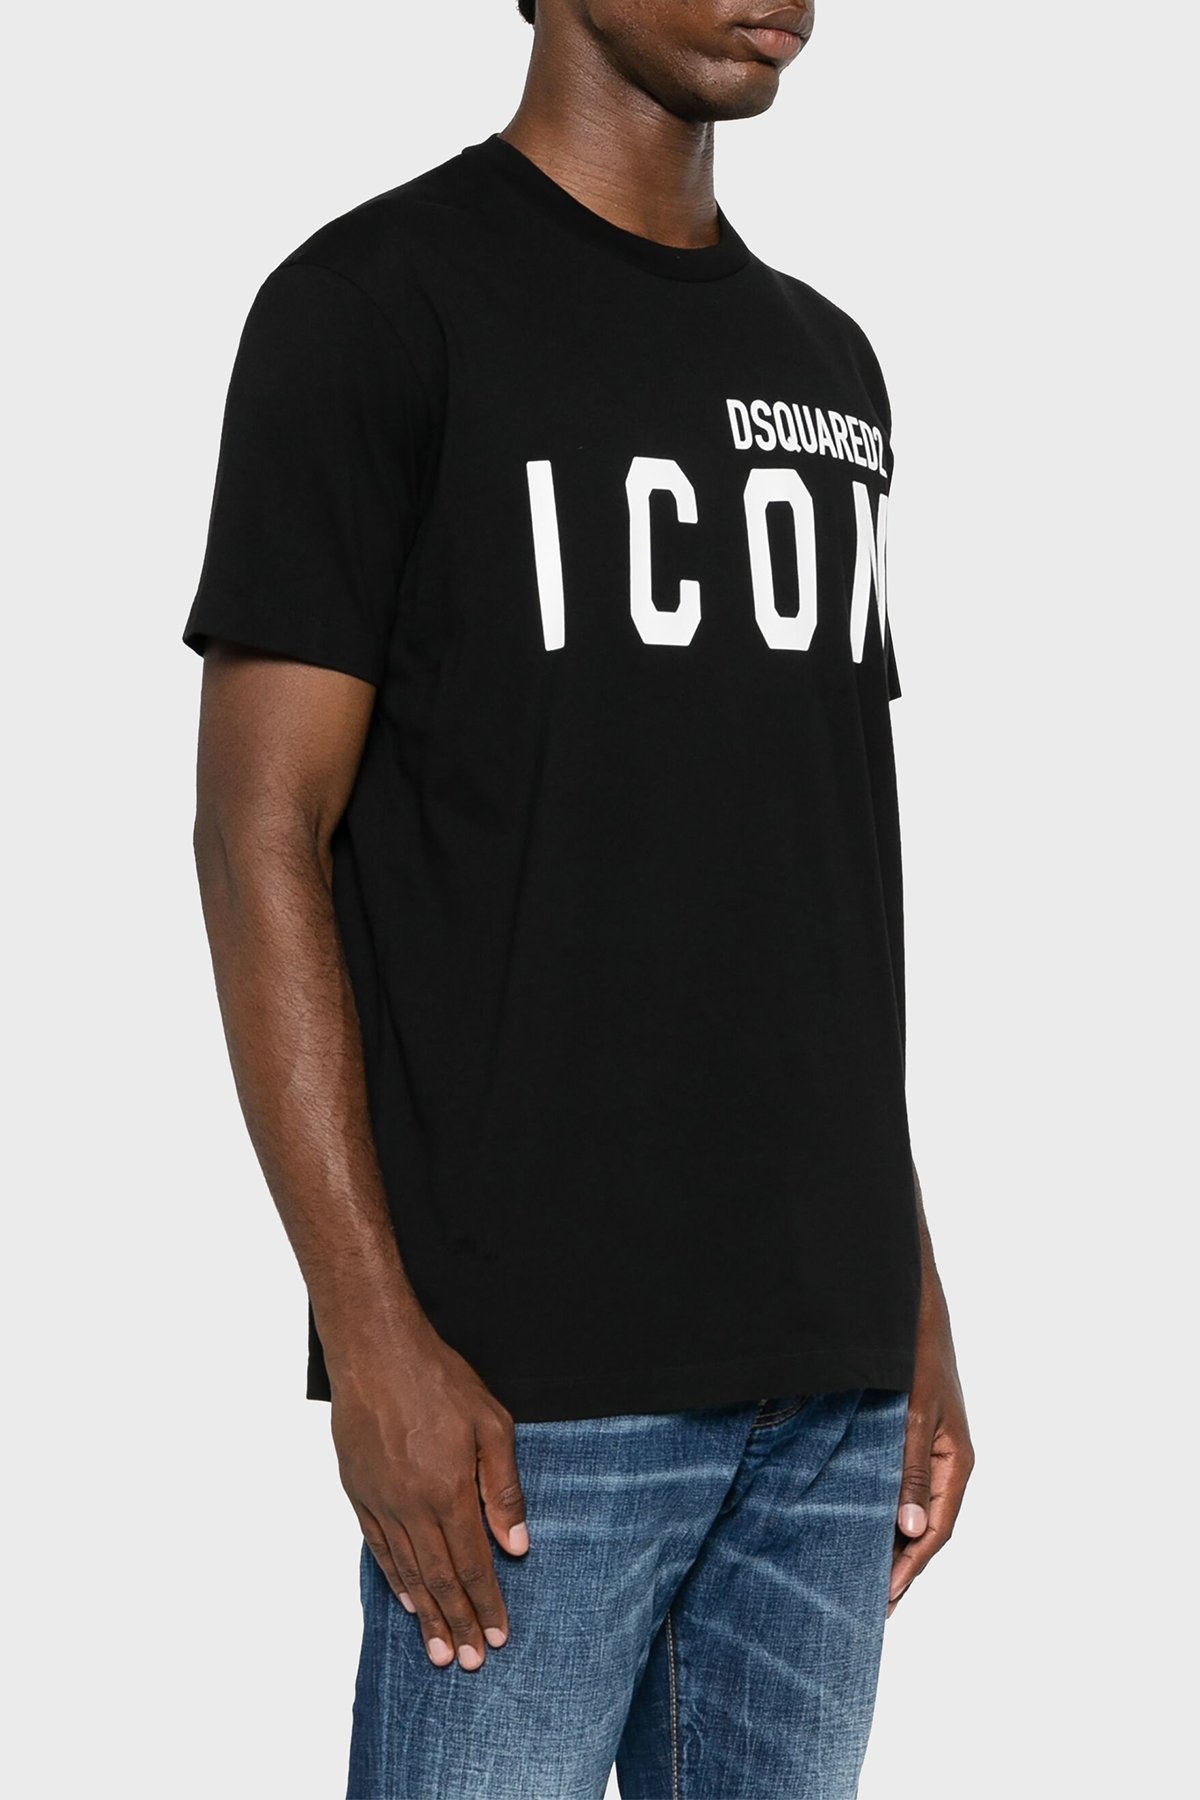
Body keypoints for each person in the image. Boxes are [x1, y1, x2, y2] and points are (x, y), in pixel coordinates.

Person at [184, 2, 974, 1794]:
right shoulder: (373, 309)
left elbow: (802, 863)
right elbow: (257, 831)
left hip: (828, 1394)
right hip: (523, 1403)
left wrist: (908, 1288)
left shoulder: (831, 369)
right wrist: (370, 1337)